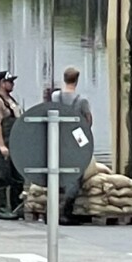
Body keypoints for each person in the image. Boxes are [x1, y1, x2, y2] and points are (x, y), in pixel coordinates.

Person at [50, 66, 92, 222]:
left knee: (54, 173)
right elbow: (87, 122)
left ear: (64, 78)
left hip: (56, 137)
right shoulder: (81, 100)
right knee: (75, 174)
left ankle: (51, 210)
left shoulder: (55, 97)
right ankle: (65, 212)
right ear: (77, 80)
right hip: (75, 137)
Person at [0, 69, 24, 220]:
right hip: (1, 145)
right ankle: (2, 208)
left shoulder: (11, 100)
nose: (13, 84)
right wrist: (2, 146)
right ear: (2, 83)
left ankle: (17, 207)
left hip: (14, 144)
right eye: (10, 82)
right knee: (2, 177)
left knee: (17, 177)